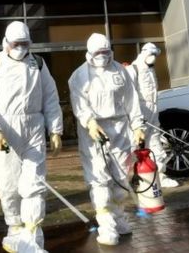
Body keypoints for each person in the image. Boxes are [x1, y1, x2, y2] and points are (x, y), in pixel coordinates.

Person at [0, 21, 63, 252]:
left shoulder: (38, 64)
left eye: (25, 44)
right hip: (5, 132)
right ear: (6, 43)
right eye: (16, 44)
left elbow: (50, 98)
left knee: (34, 184)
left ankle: (32, 235)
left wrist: (55, 130)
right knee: (9, 185)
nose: (21, 48)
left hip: (33, 129)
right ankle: (14, 226)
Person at [68, 33, 146, 246]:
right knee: (99, 177)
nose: (102, 56)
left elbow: (132, 100)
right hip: (94, 131)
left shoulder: (120, 71)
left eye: (105, 52)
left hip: (120, 129)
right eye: (98, 53)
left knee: (121, 176)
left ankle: (119, 218)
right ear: (89, 54)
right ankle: (106, 225)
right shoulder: (79, 76)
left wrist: (138, 126)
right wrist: (89, 122)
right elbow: (79, 104)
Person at [126, 43, 180, 188]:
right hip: (139, 113)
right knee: (134, 145)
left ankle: (161, 175)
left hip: (153, 111)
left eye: (155, 55)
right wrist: (136, 117)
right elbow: (129, 95)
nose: (153, 58)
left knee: (155, 143)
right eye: (151, 55)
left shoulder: (151, 70)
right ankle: (131, 178)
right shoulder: (133, 69)